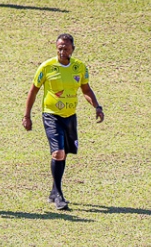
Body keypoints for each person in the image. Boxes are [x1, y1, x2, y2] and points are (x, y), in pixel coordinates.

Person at [23, 33, 104, 210]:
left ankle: (54, 191)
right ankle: (59, 195)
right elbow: (33, 91)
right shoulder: (47, 67)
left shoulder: (79, 68)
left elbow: (86, 90)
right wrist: (27, 116)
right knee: (58, 152)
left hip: (70, 116)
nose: (62, 50)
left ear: (72, 49)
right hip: (51, 115)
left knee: (64, 153)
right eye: (60, 47)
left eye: (66, 47)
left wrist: (97, 106)